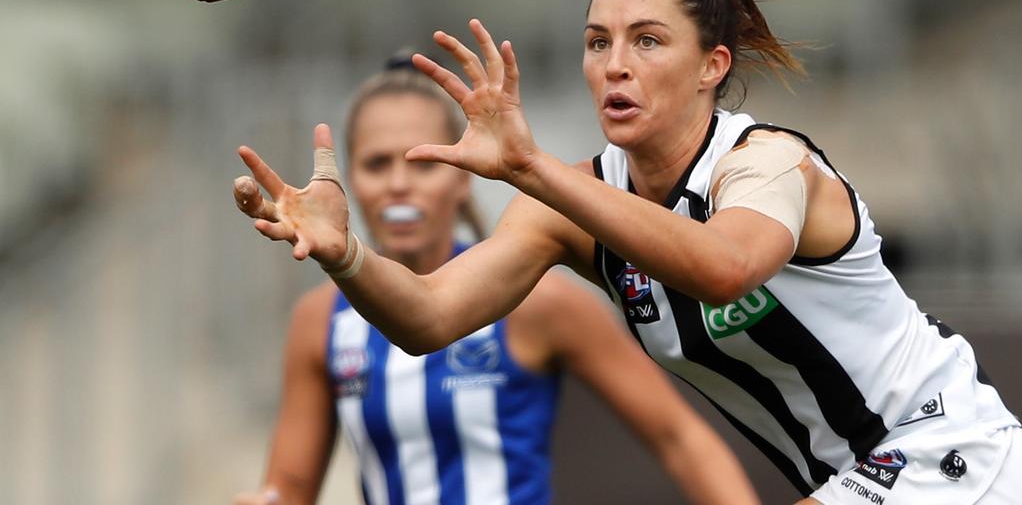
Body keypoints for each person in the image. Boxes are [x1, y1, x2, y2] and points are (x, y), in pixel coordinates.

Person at [234, 0, 1022, 504]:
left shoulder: (770, 164)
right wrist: (346, 254)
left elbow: (725, 267)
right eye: (598, 43)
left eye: (647, 40)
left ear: (712, 65)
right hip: (856, 481)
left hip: (953, 455)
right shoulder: (576, 204)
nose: (614, 65)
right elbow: (425, 317)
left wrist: (530, 167)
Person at [232, 57, 760, 505]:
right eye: (376, 164)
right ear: (348, 181)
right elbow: (289, 488)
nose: (397, 185)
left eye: (421, 164)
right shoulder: (319, 321)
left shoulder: (537, 302)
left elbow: (680, 437)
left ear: (462, 174)